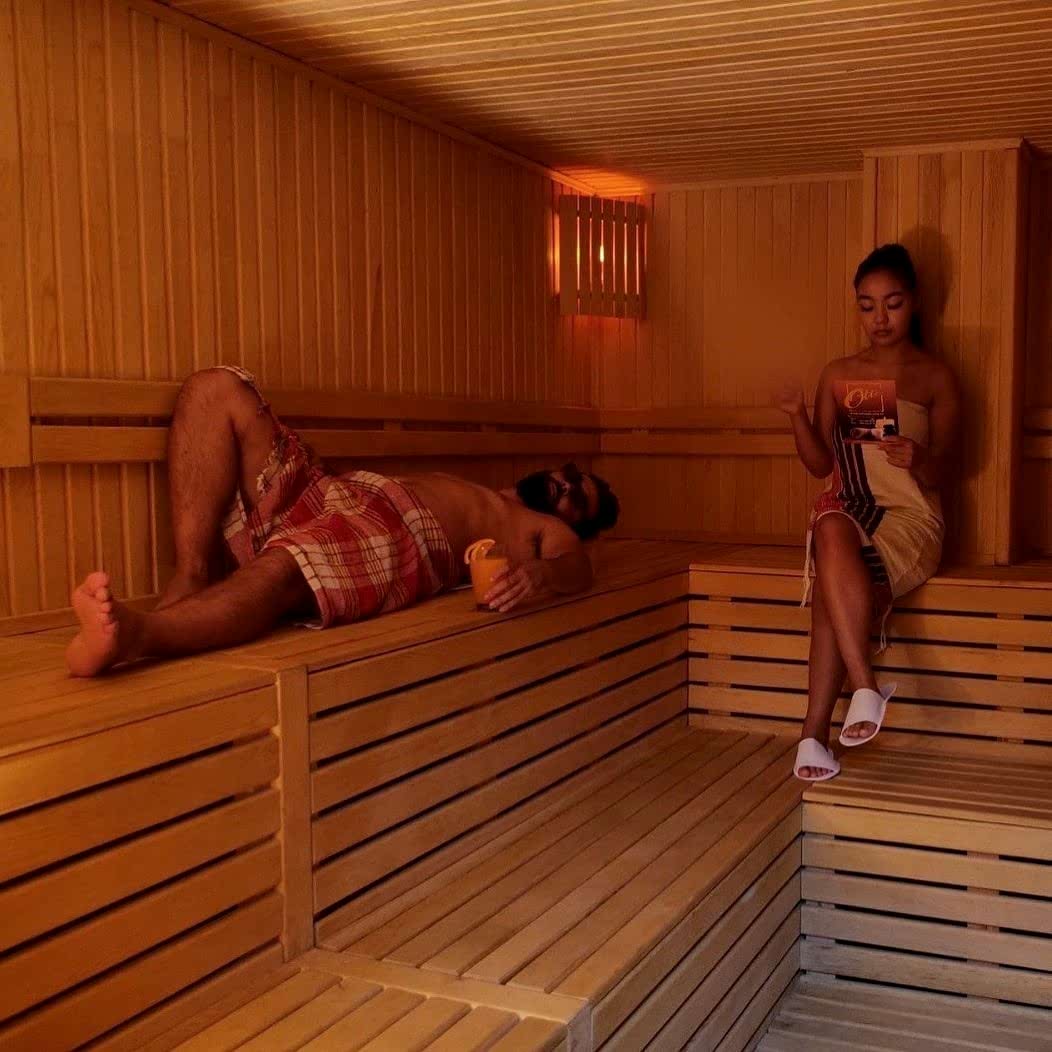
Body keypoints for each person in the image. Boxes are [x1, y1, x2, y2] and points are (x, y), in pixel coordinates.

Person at [66, 367, 620, 677]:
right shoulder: (494, 491)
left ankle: (136, 635)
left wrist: (542, 575)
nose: (566, 487)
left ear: (575, 524)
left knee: (287, 566)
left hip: (399, 534)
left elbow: (577, 567)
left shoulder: (535, 530)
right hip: (340, 490)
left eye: (579, 499)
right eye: (573, 476)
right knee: (215, 390)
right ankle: (190, 574)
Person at [777, 244, 960, 781]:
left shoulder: (936, 377)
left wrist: (919, 458)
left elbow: (948, 469)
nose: (880, 318)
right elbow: (819, 464)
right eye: (866, 305)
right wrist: (796, 415)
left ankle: (813, 736)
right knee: (830, 523)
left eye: (892, 303)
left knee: (830, 590)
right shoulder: (839, 373)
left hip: (910, 520)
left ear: (914, 303)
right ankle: (864, 688)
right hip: (853, 509)